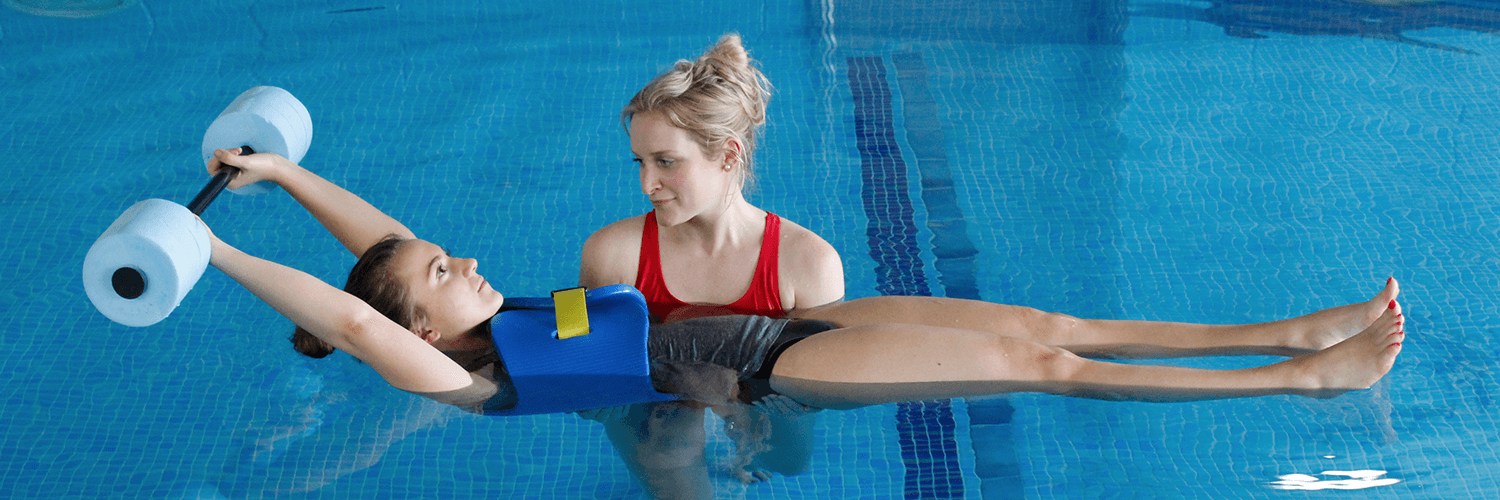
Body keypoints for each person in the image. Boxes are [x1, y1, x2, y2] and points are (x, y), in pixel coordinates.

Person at [202, 146, 1404, 430]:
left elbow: (387, 247)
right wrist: (216, 255)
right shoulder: (462, 372)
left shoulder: (490, 307)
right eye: (440, 275)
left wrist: (283, 172)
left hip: (790, 322)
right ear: (419, 326)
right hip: (775, 367)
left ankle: (1285, 327)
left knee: (1051, 321)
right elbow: (354, 311)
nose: (457, 257)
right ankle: (1301, 377)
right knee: (1044, 366)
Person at [576, 33, 840, 488]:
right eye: (639, 161)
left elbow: (820, 381)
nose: (646, 184)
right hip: (656, 410)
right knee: (670, 455)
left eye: (665, 161)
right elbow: (577, 347)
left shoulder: (807, 264)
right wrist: (589, 387)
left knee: (789, 462)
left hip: (760, 398)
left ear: (728, 154)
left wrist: (743, 407)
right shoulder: (610, 253)